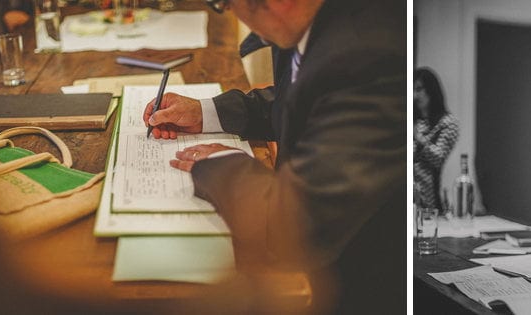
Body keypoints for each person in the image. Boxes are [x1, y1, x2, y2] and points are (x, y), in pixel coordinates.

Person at [142, 0, 404, 313]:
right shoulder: (315, 22)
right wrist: (206, 112)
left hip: (347, 283)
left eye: (224, 3)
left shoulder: (370, 56)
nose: (232, 14)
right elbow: (299, 102)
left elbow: (295, 225)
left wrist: (214, 164)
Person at [413, 67, 459, 210]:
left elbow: (438, 158)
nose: (415, 96)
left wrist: (417, 137)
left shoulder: (448, 123)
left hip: (429, 202)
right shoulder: (413, 121)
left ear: (431, 90)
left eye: (419, 89)